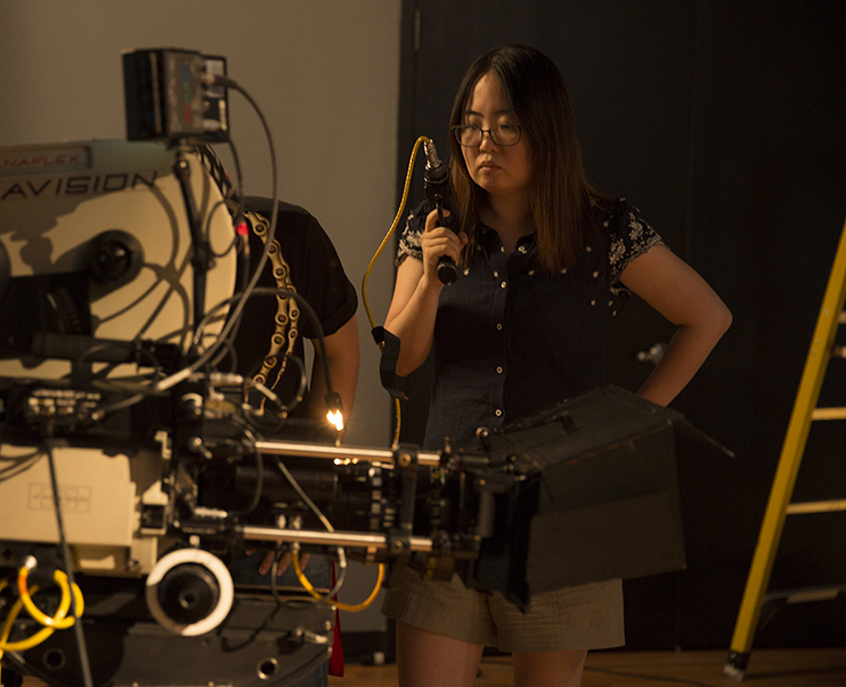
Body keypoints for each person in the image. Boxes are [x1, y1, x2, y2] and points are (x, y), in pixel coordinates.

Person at [380, 46, 732, 687]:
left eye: (507, 124)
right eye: (471, 124)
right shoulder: (433, 226)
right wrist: (430, 281)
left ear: (547, 129)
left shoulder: (608, 228)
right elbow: (399, 358)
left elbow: (708, 316)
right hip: (447, 500)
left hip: (565, 507)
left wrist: (633, 420)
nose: (484, 141)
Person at [221, 193, 360, 687]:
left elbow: (339, 352)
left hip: (278, 527)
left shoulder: (291, 234)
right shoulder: (114, 248)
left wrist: (310, 487)